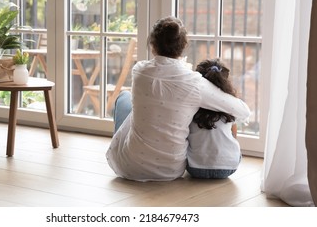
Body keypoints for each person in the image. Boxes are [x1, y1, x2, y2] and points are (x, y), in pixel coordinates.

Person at [106, 16, 250, 182]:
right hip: (169, 170)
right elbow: (243, 111)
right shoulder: (194, 82)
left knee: (124, 98)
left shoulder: (139, 71)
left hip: (129, 165)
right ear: (184, 47)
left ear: (152, 45)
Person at [186, 59, 242, 179]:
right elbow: (234, 134)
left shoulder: (192, 105)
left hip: (195, 168)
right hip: (228, 167)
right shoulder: (230, 105)